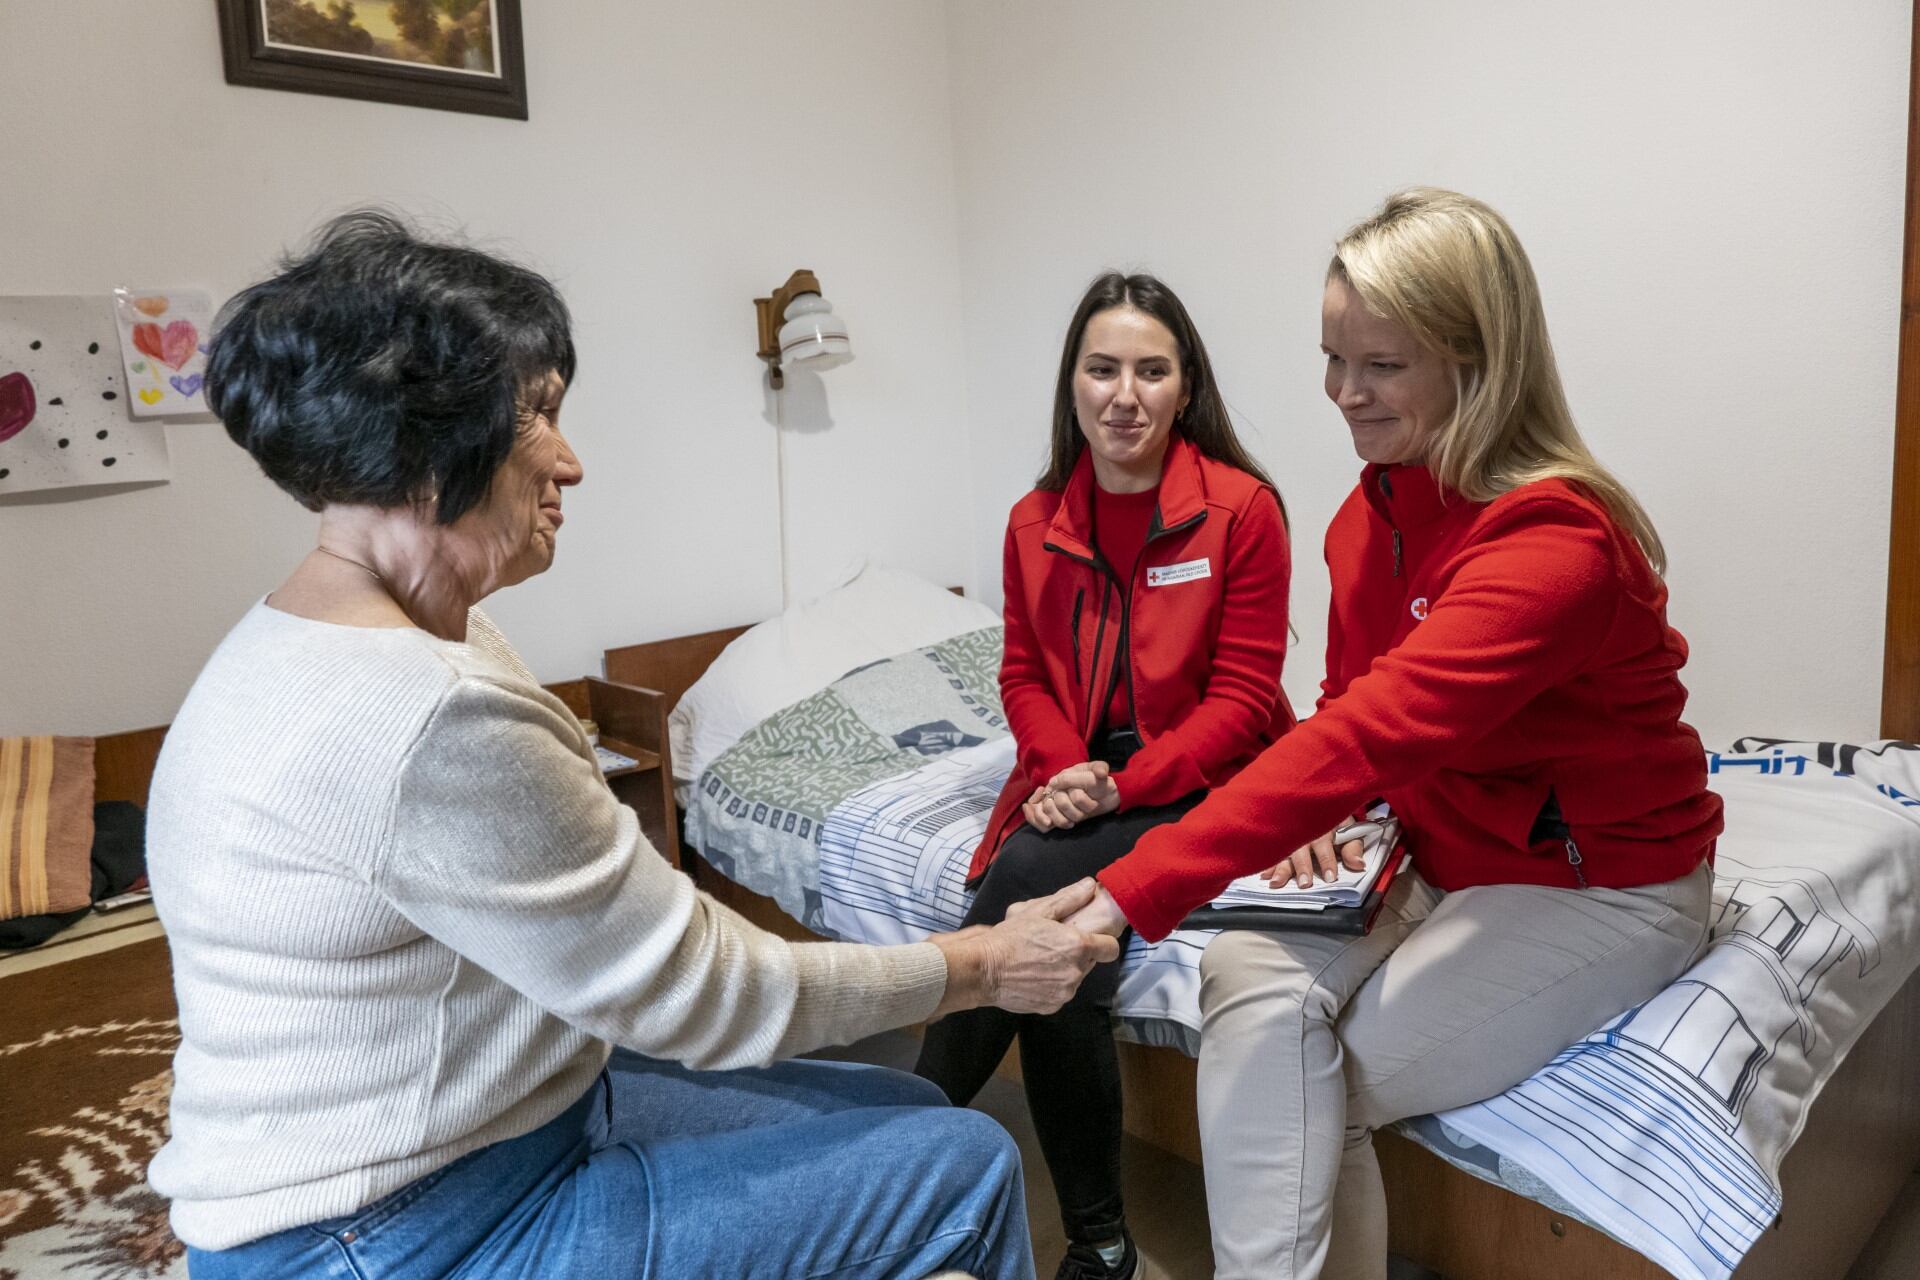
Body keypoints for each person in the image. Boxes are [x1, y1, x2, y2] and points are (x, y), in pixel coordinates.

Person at [145, 211, 1120, 1280]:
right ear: (427, 440)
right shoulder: (429, 709)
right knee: (965, 1160)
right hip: (391, 1224)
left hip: (492, 1124)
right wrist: (982, 963)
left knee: (907, 1098)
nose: (570, 461)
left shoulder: (320, 635)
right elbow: (697, 985)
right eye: (537, 415)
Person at [1063, 190, 1723, 1279]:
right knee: (1245, 977)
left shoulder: (1558, 544)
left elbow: (1375, 727)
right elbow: (1349, 713)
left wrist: (1131, 884)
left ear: (1477, 361)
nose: (1343, 394)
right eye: (1333, 358)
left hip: (1601, 883)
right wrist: (1334, 815)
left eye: (1381, 364)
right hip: (1444, 848)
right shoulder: (1368, 517)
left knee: (1319, 1074)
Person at [915, 272, 1294, 1280]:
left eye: (1151, 369)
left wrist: (1119, 789)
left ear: (1184, 386)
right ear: (1073, 384)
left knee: (1031, 880)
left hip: (1208, 777)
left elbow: (1246, 699)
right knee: (1064, 941)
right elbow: (1023, 669)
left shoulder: (1240, 511)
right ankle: (1101, 1238)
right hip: (1081, 777)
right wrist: (1059, 767)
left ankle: (903, 1133)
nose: (1124, 392)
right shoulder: (1035, 518)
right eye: (1102, 367)